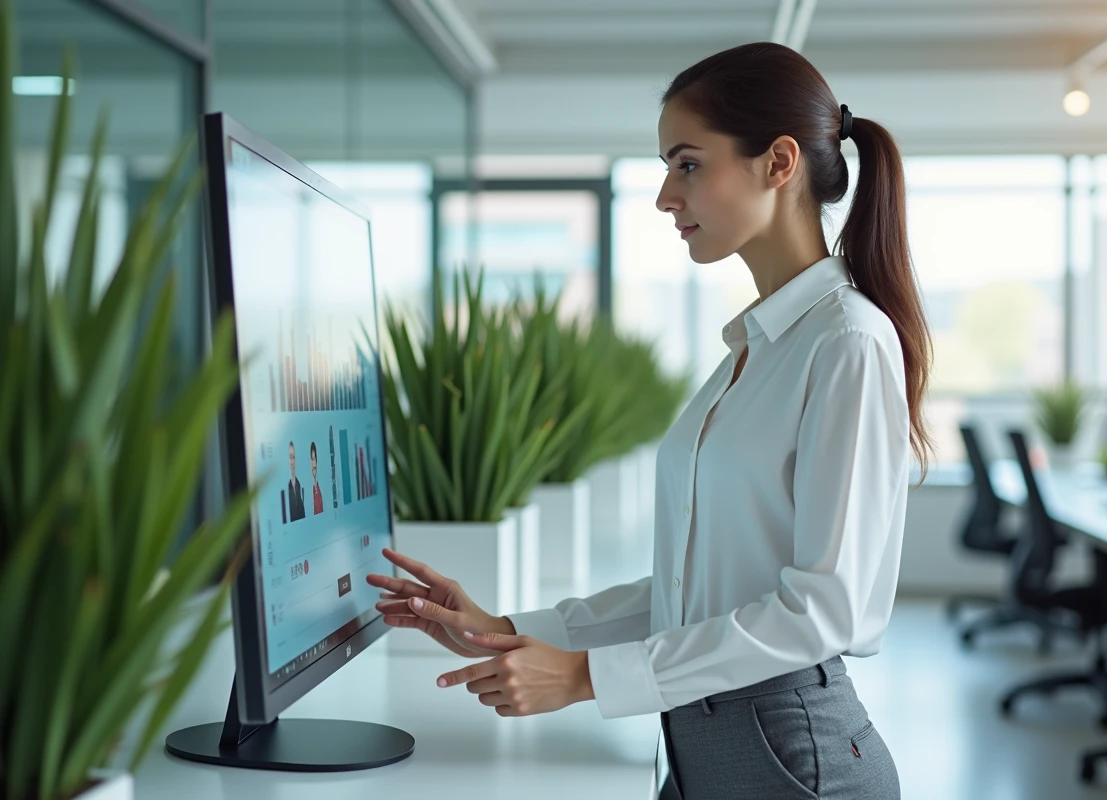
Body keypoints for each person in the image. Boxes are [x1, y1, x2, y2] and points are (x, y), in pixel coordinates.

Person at [367, 41, 930, 800]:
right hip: (703, 743)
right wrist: (505, 625)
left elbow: (827, 608)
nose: (667, 196)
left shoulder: (848, 341)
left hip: (794, 759)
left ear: (779, 163)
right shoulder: (754, 350)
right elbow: (690, 587)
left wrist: (585, 678)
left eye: (688, 164)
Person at [287, 441, 305, 522]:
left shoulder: (298, 484)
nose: (292, 462)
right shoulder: (286, 487)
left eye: (293, 457)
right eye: (290, 458)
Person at [310, 441, 324, 515]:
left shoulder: (319, 487)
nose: (314, 463)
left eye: (315, 459)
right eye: (312, 459)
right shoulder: (309, 490)